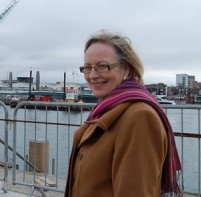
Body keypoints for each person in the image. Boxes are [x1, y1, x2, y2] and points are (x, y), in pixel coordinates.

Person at [64, 30, 182, 197]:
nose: (92, 75)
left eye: (102, 66)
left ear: (126, 69)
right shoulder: (107, 109)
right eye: (87, 67)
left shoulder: (139, 117)